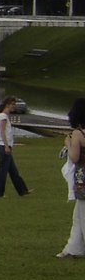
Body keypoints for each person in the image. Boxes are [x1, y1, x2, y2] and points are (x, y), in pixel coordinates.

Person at [58, 98, 85, 259]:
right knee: (78, 214)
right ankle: (73, 247)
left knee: (82, 212)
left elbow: (74, 157)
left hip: (83, 176)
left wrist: (68, 143)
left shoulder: (77, 134)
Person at [0, 95, 30, 198]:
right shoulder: (3, 116)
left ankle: (23, 190)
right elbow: (2, 132)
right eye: (13, 104)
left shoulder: (4, 116)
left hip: (4, 145)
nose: (14, 106)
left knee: (13, 171)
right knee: (3, 171)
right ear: (7, 105)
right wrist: (6, 146)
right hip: (3, 146)